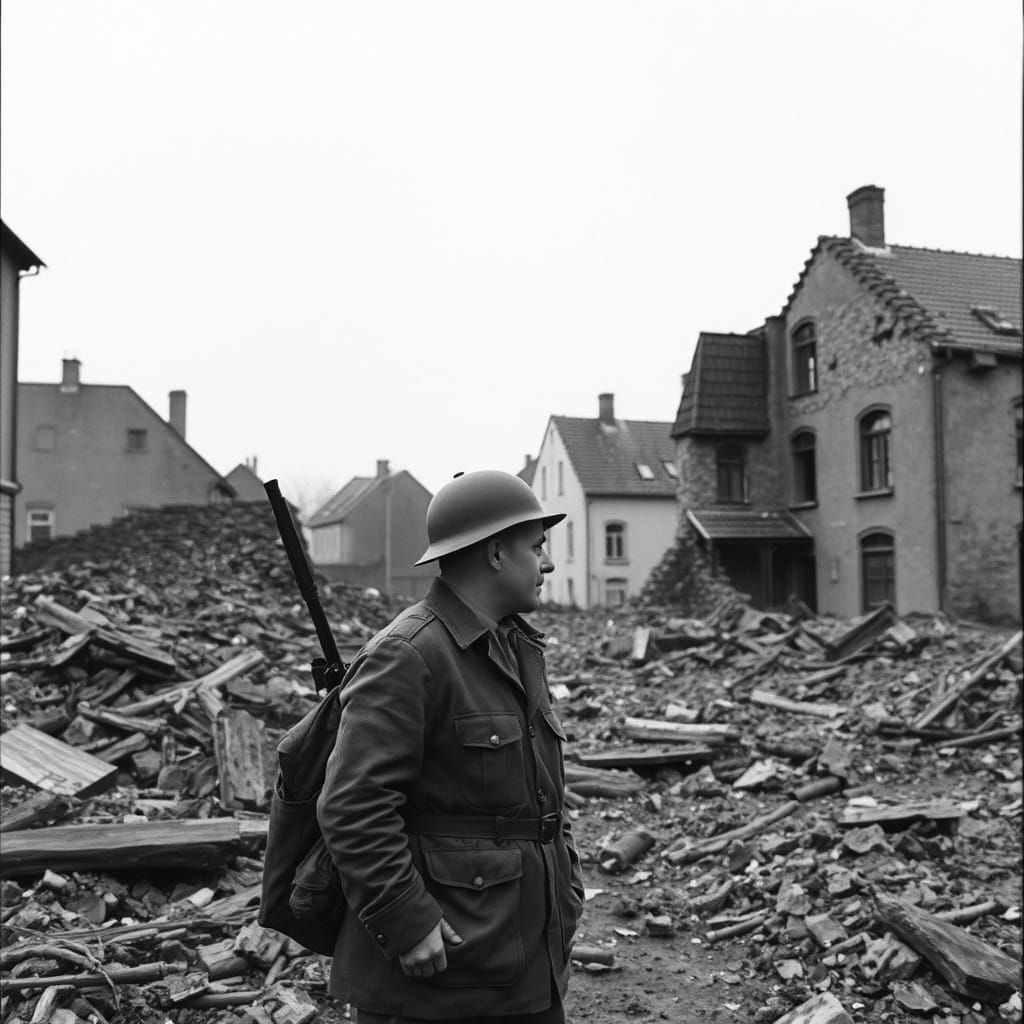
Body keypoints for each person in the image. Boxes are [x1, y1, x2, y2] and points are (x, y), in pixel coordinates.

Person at [317, 469, 585, 1023]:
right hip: (443, 974)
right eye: (537, 547)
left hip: (522, 961)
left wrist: (568, 882)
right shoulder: (410, 654)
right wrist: (405, 920)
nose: (549, 563)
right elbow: (352, 804)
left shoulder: (513, 647)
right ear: (494, 552)